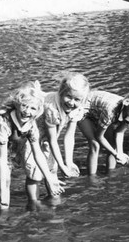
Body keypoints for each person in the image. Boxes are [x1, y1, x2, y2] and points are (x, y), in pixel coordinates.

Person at [0, 81, 64, 220]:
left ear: (38, 111)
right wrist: (2, 190)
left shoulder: (31, 125)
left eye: (32, 108)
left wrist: (50, 178)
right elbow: (2, 160)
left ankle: (3, 218)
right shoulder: (3, 122)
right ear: (16, 104)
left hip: (6, 142)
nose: (27, 111)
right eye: (24, 106)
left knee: (6, 180)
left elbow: (37, 153)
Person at [24, 72, 89, 205]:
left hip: (48, 138)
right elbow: (53, 139)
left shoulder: (77, 108)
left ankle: (53, 200)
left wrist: (68, 162)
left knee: (52, 168)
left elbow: (69, 136)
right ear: (60, 93)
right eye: (68, 97)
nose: (72, 102)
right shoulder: (52, 108)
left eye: (77, 100)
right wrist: (62, 165)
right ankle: (34, 204)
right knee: (35, 173)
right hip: (31, 136)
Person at [77, 86, 129, 175]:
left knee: (112, 144)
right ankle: (92, 178)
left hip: (99, 112)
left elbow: (119, 132)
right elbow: (99, 136)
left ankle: (110, 175)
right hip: (85, 108)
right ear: (128, 101)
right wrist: (116, 154)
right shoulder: (111, 110)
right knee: (95, 144)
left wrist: (120, 153)